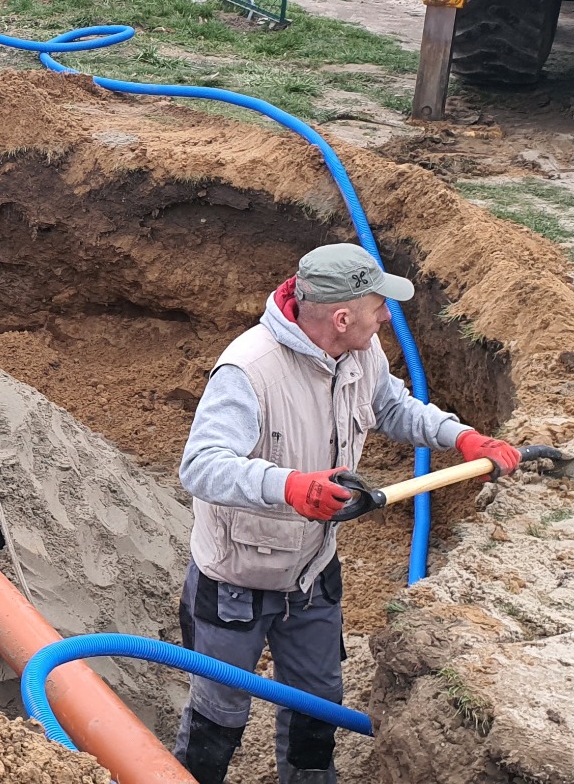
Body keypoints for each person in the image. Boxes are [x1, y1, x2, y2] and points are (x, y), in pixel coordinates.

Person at [172, 243, 521, 784]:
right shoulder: (249, 370)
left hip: (311, 574)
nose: (387, 317)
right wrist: (290, 486)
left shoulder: (362, 352)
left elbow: (393, 408)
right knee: (217, 718)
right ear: (341, 317)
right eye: (379, 306)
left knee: (317, 708)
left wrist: (462, 437)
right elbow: (200, 466)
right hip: (236, 581)